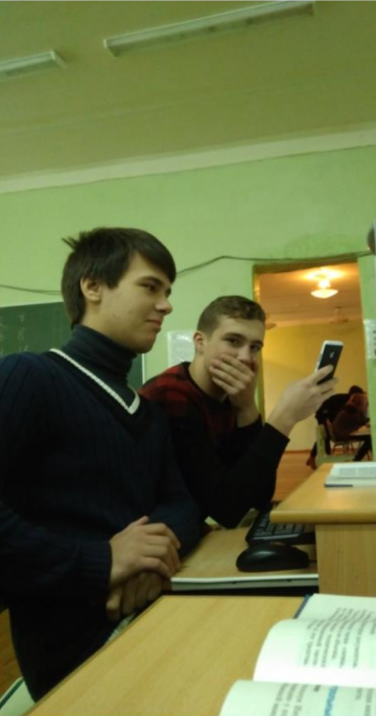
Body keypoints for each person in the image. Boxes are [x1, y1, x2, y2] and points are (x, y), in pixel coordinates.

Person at [0, 227, 200, 701]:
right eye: (150, 287)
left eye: (168, 291)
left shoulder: (146, 412)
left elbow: (183, 505)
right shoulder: (29, 377)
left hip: (151, 612)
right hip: (74, 653)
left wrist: (148, 559)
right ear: (92, 286)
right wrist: (103, 561)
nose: (166, 305)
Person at [140, 295, 337, 528]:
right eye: (233, 341)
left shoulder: (232, 397)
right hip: (157, 537)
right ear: (200, 342)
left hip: (190, 531)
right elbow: (227, 509)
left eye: (255, 347)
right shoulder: (171, 394)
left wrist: (247, 409)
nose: (245, 357)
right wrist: (284, 418)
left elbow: (258, 497)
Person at [307, 385, 365, 467]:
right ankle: (321, 459)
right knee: (325, 436)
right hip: (323, 414)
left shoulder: (348, 399)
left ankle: (317, 458)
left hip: (325, 413)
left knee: (324, 436)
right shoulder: (349, 400)